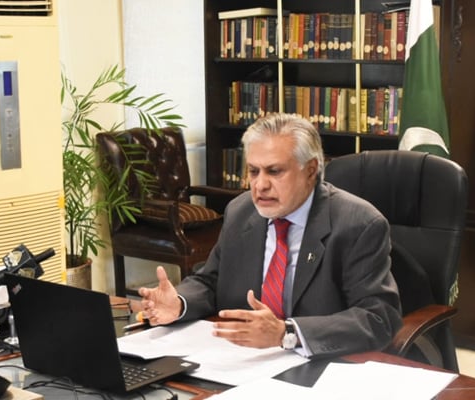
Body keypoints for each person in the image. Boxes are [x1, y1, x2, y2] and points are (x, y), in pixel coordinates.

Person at [139, 112, 402, 359]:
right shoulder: (241, 211)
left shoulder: (358, 224)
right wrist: (179, 303)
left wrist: (286, 332)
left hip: (319, 364)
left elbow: (378, 318)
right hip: (242, 360)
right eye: (253, 171)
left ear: (311, 170)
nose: (260, 185)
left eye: (274, 171)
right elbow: (212, 280)